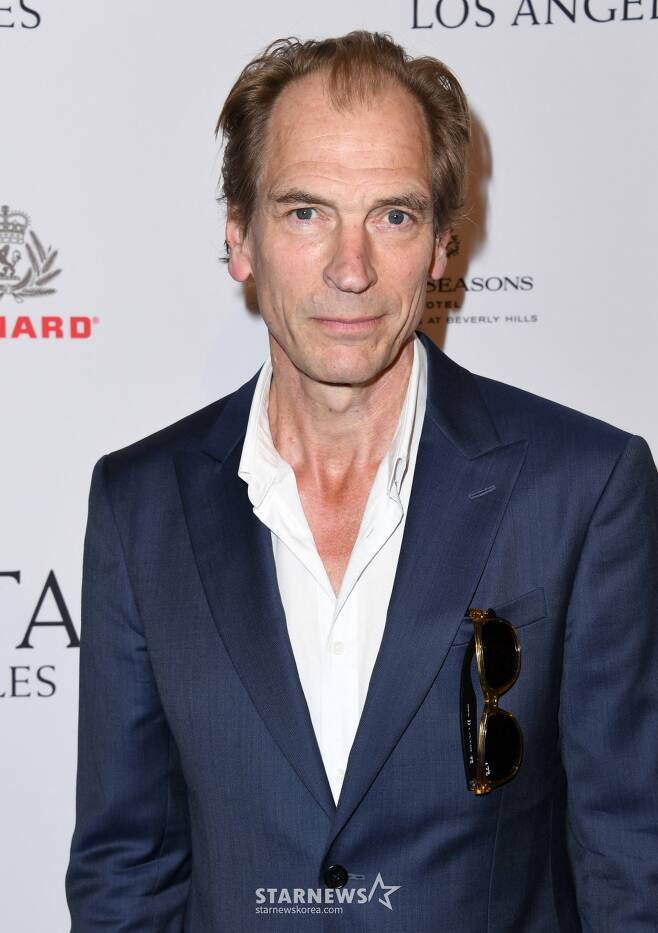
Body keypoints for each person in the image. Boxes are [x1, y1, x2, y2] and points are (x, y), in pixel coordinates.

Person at [65, 30, 658, 932]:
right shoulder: (139, 504)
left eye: (394, 216)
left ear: (442, 246)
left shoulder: (584, 488)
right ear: (240, 237)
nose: (351, 269)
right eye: (307, 212)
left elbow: (631, 862)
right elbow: (126, 872)